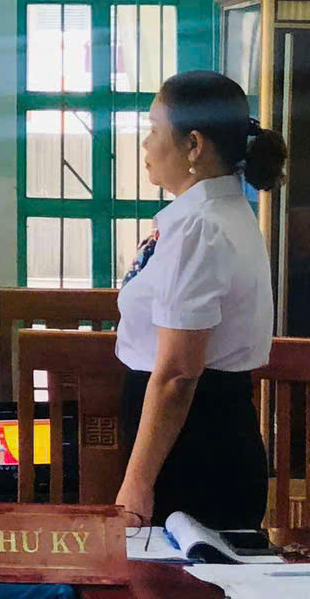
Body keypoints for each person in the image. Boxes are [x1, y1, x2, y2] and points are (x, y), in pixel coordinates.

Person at [115, 70, 287, 530]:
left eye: (155, 130)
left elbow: (178, 374)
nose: (146, 144)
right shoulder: (209, 215)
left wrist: (137, 482)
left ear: (193, 145)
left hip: (194, 448)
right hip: (194, 436)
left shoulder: (202, 228)